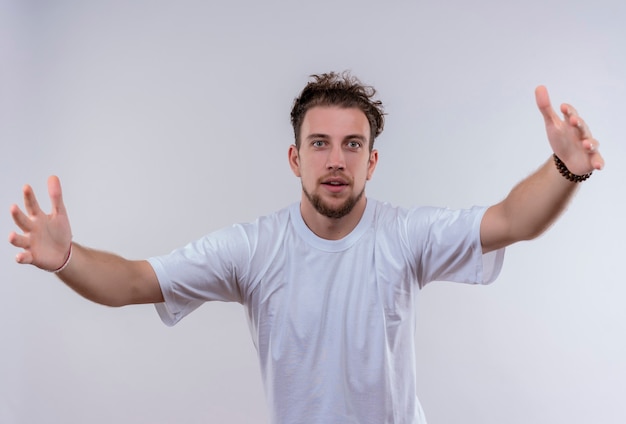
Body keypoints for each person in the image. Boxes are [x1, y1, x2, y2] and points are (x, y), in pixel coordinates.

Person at [8, 72, 604, 424]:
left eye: (352, 145)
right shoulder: (253, 249)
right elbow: (139, 281)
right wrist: (65, 257)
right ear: (296, 159)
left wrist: (564, 169)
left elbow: (508, 222)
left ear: (372, 161)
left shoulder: (405, 235)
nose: (336, 160)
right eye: (320, 143)